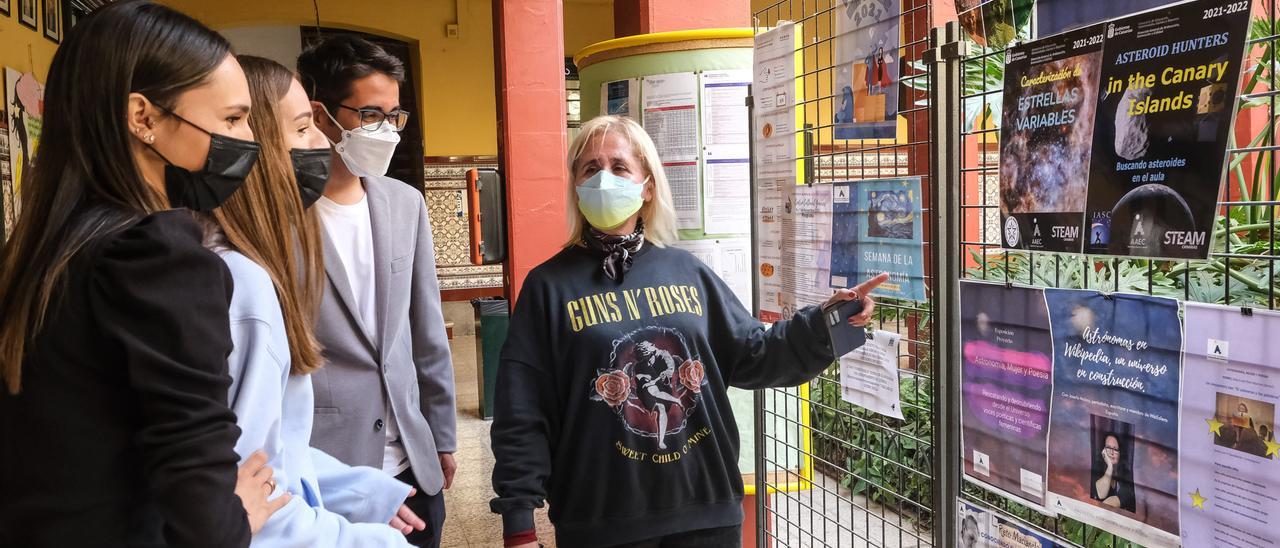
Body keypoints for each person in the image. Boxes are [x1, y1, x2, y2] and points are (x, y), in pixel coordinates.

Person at [490, 115, 888, 547]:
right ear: (575, 185)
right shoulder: (548, 287)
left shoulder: (688, 272)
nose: (603, 179)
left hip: (706, 511)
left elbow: (754, 352)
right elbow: (522, 408)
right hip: (602, 519)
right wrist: (519, 520)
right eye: (590, 169)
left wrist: (825, 321)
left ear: (647, 187)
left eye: (619, 167)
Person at [0, 1, 286, 545]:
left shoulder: (46, 249)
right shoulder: (158, 256)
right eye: (231, 119)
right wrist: (235, 519)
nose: (249, 139)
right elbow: (198, 479)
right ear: (144, 118)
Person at [206, 54, 429, 546]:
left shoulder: (403, 203)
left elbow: (279, 454)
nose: (320, 144)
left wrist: (362, 492)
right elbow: (255, 498)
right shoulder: (242, 283)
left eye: (395, 116)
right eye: (305, 127)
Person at [298, 35, 457, 548]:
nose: (386, 131)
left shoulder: (403, 203)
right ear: (321, 116)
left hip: (412, 463)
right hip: (328, 469)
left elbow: (425, 329)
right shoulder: (280, 216)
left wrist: (442, 435)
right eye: (370, 115)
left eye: (393, 116)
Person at [1091, 433, 1135, 512]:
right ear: (1103, 451)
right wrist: (1110, 466)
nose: (1111, 452)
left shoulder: (1127, 473)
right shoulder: (1097, 467)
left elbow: (1120, 499)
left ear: (1120, 453)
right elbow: (1101, 494)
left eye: (1115, 449)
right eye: (1108, 447)